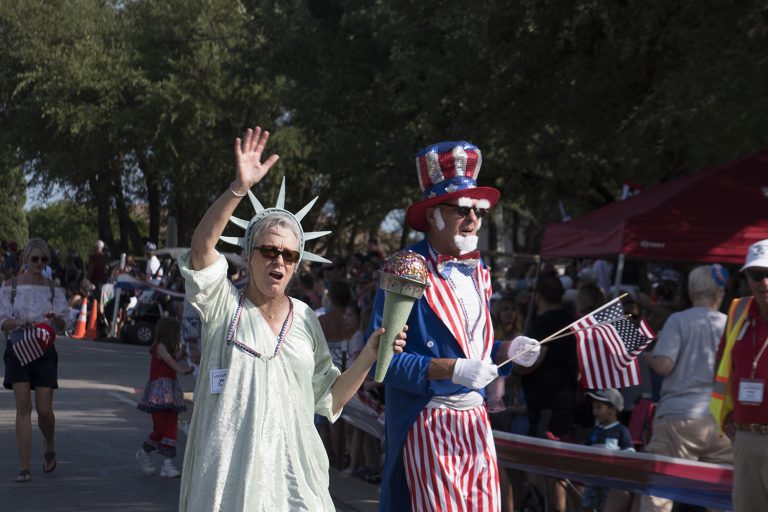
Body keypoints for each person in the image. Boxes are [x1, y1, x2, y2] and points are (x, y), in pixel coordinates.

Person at [176, 126, 406, 511]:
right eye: (268, 250)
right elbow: (201, 247)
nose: (279, 260)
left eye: (290, 255)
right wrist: (238, 187)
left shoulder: (304, 319)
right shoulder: (222, 304)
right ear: (249, 254)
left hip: (294, 485)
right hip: (228, 486)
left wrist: (369, 354)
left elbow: (328, 397)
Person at [366, 141, 541, 511]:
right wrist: (453, 370)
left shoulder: (480, 272)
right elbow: (383, 363)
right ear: (432, 214)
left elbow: (475, 352)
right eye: (462, 209)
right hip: (429, 418)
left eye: (479, 210)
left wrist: (508, 350)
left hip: (475, 420)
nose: (473, 219)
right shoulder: (405, 267)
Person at [640, 264, 733, 512]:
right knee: (722, 496)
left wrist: (648, 355)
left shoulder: (678, 321)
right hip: (719, 422)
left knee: (659, 492)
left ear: (690, 294)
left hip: (677, 418)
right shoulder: (730, 324)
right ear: (719, 294)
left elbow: (664, 365)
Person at [0, 238, 69, 482]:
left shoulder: (53, 288)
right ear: (25, 260)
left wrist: (56, 318)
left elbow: (63, 322)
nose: (39, 263)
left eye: (43, 259)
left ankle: (49, 442)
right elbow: (2, 320)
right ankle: (24, 467)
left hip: (44, 349)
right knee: (23, 409)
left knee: (43, 409)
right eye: (35, 259)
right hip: (17, 347)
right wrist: (18, 322)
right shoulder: (10, 286)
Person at [711, 240, 768, 511]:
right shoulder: (738, 312)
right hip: (746, 438)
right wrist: (726, 413)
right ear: (746, 277)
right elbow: (724, 365)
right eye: (757, 275)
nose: (765, 282)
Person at [135, 317, 194, 477]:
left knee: (171, 426)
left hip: (171, 391)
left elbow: (173, 358)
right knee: (160, 427)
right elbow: (169, 360)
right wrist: (182, 370)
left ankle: (167, 464)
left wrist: (184, 354)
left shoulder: (166, 348)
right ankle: (144, 453)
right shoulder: (159, 347)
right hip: (159, 393)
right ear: (170, 333)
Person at [582, 389, 635, 511]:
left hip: (611, 482)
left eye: (599, 407)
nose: (594, 411)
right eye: (593, 407)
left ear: (613, 410)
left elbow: (629, 453)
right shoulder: (594, 431)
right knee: (588, 507)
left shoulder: (622, 431)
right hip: (592, 480)